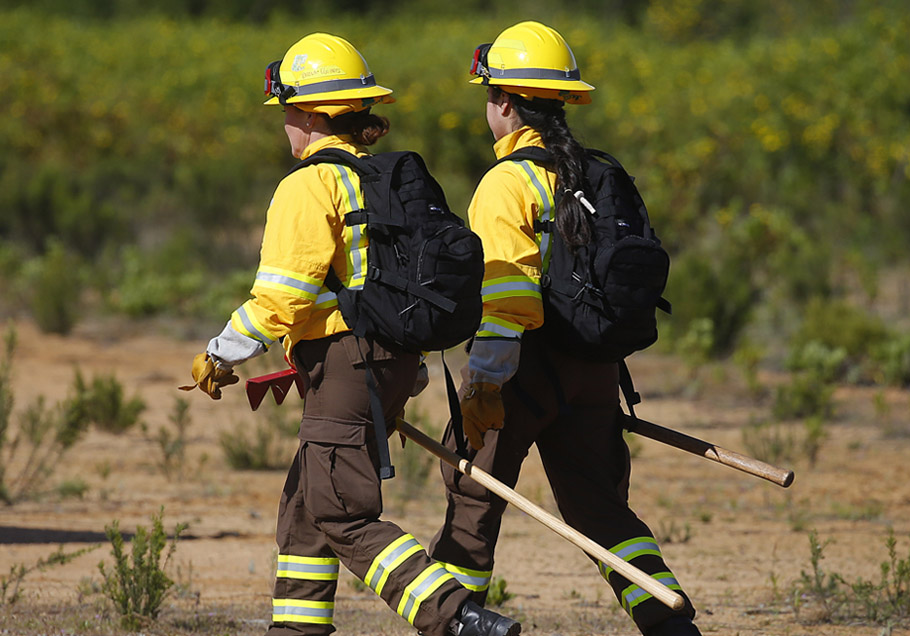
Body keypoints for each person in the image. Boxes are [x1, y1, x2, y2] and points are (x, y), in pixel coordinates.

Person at [184, 33, 521, 636]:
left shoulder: (309, 185)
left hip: (347, 367)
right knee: (305, 512)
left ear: (314, 115)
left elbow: (283, 296)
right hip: (386, 363)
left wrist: (221, 352)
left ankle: (457, 618)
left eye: (289, 111)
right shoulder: (380, 179)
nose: (285, 124)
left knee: (343, 512)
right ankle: (297, 629)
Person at [426, 21, 702, 636]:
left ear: (504, 102)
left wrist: (485, 385)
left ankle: (457, 625)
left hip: (523, 371)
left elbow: (507, 299)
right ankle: (671, 626)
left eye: (490, 95)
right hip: (597, 372)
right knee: (601, 511)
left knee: (473, 499)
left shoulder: (507, 182)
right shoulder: (593, 174)